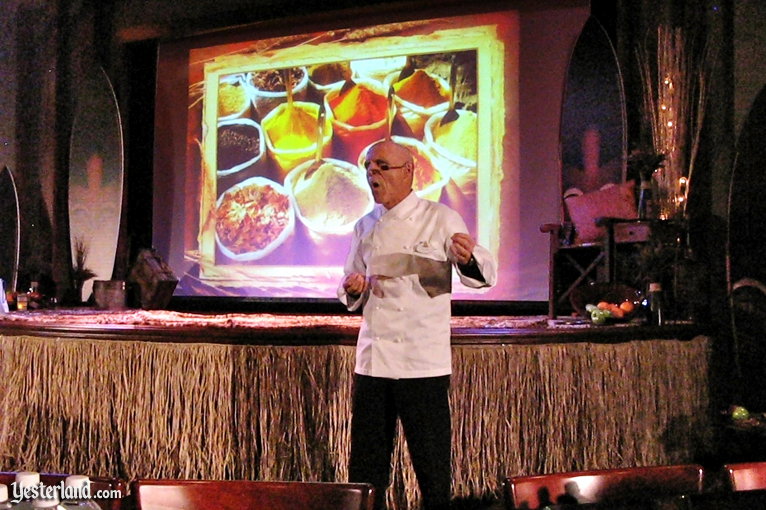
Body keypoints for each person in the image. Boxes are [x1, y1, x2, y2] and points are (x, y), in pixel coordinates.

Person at [338, 140, 497, 510]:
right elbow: (350, 279)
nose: (373, 174)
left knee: (432, 468)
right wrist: (351, 287)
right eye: (369, 167)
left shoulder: (439, 217)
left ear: (409, 171)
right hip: (374, 360)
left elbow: (482, 272)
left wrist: (468, 257)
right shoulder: (365, 225)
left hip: (422, 362)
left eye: (382, 167)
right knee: (367, 467)